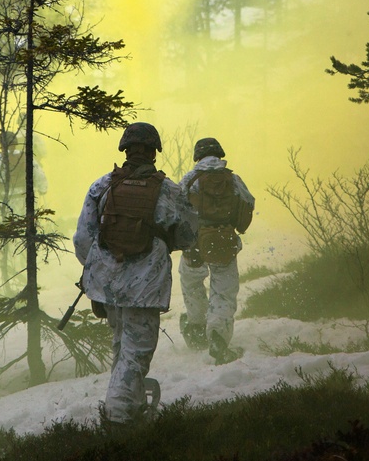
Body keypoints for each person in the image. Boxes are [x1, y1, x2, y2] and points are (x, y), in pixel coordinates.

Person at [73, 122, 198, 426]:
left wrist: (98, 270)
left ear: (125, 149)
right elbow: (188, 236)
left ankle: (131, 406)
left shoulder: (101, 186)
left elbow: (82, 240)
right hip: (146, 286)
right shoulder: (169, 191)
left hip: (107, 285)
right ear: (154, 152)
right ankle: (118, 417)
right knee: (136, 352)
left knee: (121, 346)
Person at [178, 137, 255, 365]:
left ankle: (196, 326)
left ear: (197, 156)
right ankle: (217, 335)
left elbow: (176, 207)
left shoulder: (190, 180)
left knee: (191, 284)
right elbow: (248, 202)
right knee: (223, 290)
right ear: (219, 154)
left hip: (193, 245)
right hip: (223, 242)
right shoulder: (232, 178)